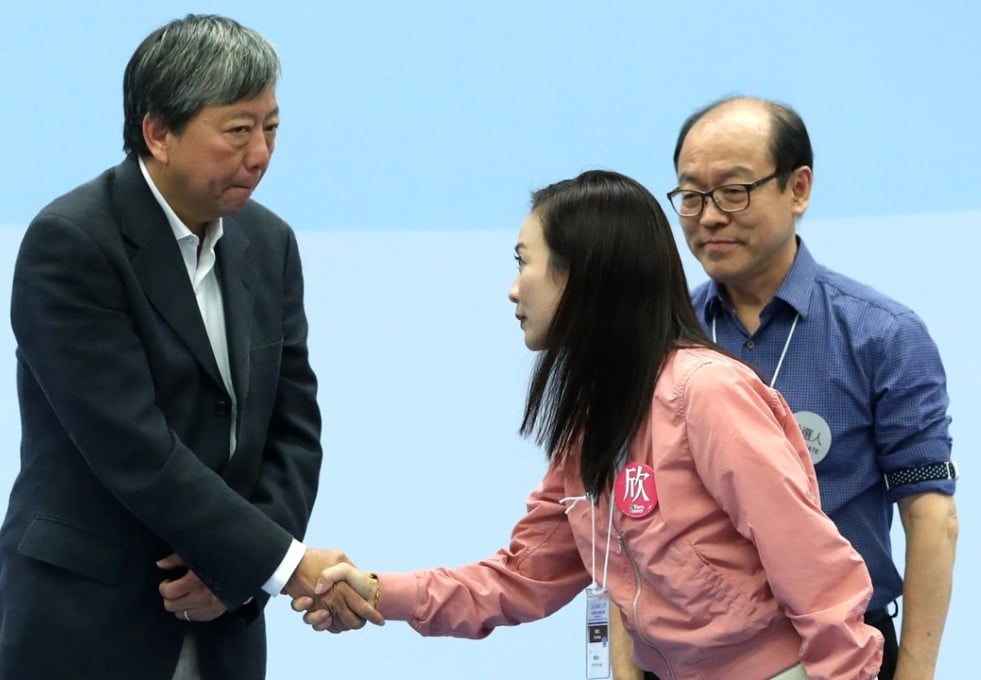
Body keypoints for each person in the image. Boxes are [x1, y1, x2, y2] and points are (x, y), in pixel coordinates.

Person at [296, 170, 884, 680]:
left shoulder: (706, 392)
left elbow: (820, 578)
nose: (511, 288)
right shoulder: (594, 419)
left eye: (524, 262)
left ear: (584, 277)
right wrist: (376, 590)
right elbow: (520, 576)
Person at [0, 14, 380, 679]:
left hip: (222, 629)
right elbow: (133, 448)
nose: (260, 153)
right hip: (84, 627)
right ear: (158, 132)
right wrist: (280, 564)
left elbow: (293, 427)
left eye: (272, 129)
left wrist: (236, 571)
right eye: (237, 130)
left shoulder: (269, 242)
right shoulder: (72, 243)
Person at [610, 97, 959, 680]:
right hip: (691, 659)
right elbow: (625, 522)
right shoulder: (654, 345)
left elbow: (931, 519)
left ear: (798, 189)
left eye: (734, 190)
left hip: (846, 651)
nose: (710, 216)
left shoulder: (882, 336)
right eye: (691, 196)